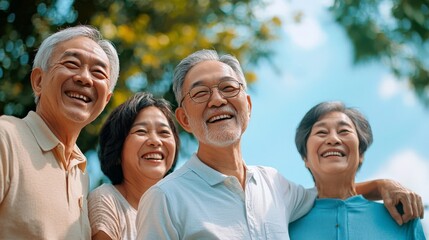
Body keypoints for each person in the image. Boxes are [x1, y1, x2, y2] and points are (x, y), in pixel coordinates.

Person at [136, 49, 423, 239]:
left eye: (228, 88)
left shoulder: (275, 185)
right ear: (184, 119)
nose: (217, 100)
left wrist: (384, 185)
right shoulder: (165, 198)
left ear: (247, 105)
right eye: (200, 93)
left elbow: (330, 191)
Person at [0, 25, 119, 239]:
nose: (85, 78)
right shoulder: (6, 137)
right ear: (38, 81)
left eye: (98, 72)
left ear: (106, 99)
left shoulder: (81, 173)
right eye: (71, 64)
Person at [289, 101, 426, 239]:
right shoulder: (285, 222)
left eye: (344, 131)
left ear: (360, 153)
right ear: (305, 157)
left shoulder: (403, 218)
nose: (333, 139)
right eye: (321, 132)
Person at [88, 92, 180, 240]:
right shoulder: (107, 200)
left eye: (164, 132)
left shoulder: (179, 209)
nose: (155, 141)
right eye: (141, 131)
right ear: (117, 149)